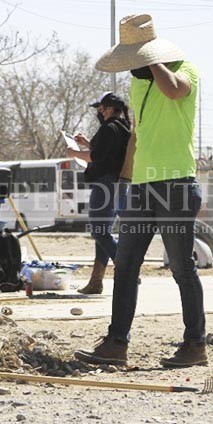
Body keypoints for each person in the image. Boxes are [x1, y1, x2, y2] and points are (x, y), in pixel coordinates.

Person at [74, 13, 207, 368]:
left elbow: (174, 90)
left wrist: (153, 61)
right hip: (141, 187)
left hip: (176, 183)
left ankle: (195, 344)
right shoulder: (137, 83)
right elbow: (137, 135)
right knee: (126, 264)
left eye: (137, 58)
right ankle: (116, 342)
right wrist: (125, 180)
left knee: (181, 267)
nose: (133, 66)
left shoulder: (185, 69)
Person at [66, 92, 131, 294]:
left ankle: (128, 271)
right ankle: (96, 281)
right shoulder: (123, 128)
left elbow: (96, 156)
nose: (99, 112)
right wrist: (87, 143)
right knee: (103, 233)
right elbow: (109, 152)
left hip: (105, 183)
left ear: (109, 109)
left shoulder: (108, 128)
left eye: (101, 108)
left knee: (99, 232)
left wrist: (74, 153)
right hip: (119, 183)